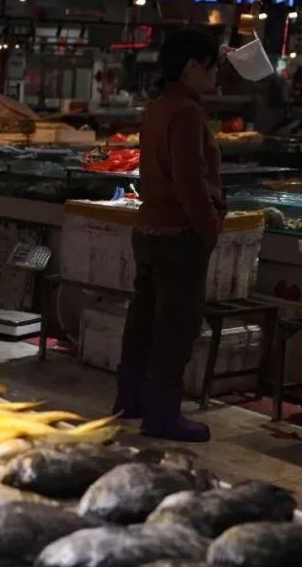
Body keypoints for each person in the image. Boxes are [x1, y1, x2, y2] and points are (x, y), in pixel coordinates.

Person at [117, 28, 225, 443]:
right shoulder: (186, 112)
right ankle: (162, 416)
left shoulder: (158, 106)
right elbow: (190, 181)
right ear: (193, 66)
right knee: (176, 327)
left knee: (144, 319)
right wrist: (209, 228)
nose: (215, 75)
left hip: (148, 229)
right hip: (178, 234)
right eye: (212, 67)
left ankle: (130, 400)